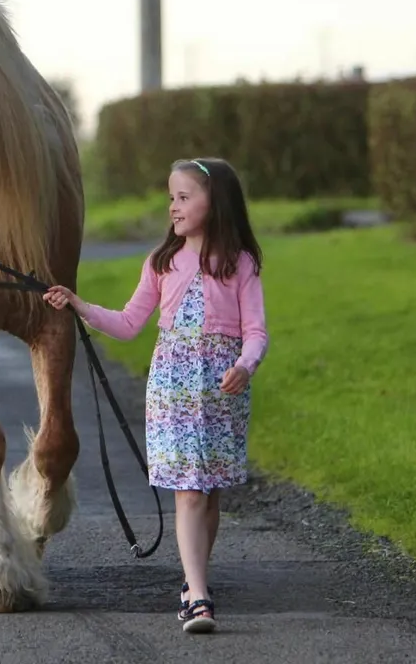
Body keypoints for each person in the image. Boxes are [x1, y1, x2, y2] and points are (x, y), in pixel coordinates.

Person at [44, 157, 267, 634]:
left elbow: (256, 332)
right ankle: (199, 598)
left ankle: (194, 582)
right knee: (188, 490)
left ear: (217, 201)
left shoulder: (240, 263)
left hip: (222, 390)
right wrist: (79, 305)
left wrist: (245, 366)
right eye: (172, 198)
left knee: (209, 494)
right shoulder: (162, 263)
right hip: (173, 388)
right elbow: (127, 324)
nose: (174, 207)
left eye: (184, 197)